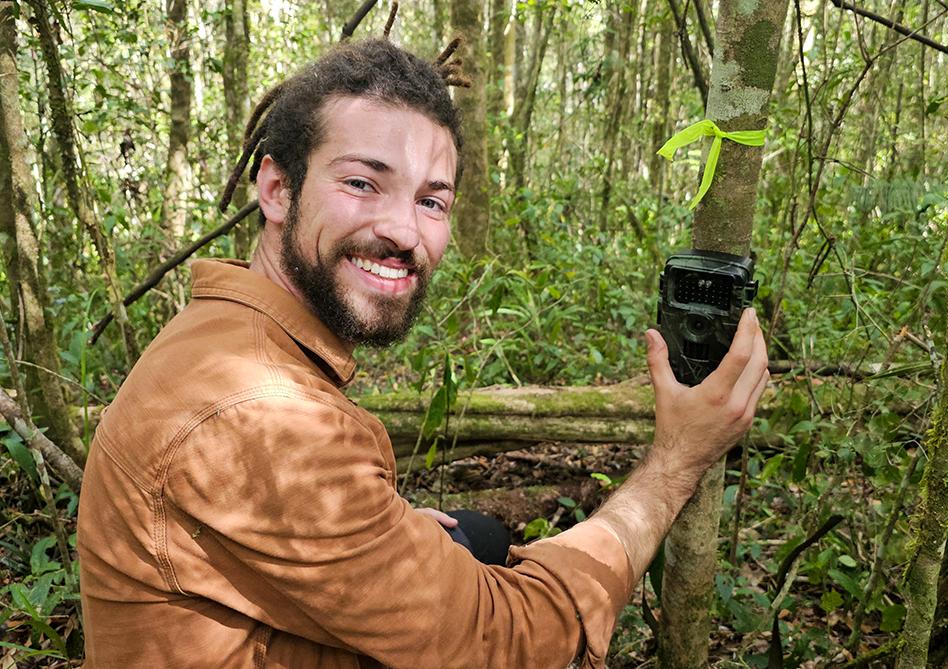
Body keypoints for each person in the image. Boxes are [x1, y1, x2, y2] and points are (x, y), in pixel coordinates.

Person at [77, 38, 769, 668]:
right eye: (361, 182)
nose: (404, 231)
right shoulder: (262, 415)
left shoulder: (220, 338)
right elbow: (513, 640)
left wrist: (391, 527)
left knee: (476, 535)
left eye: (432, 201)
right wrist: (676, 462)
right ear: (277, 189)